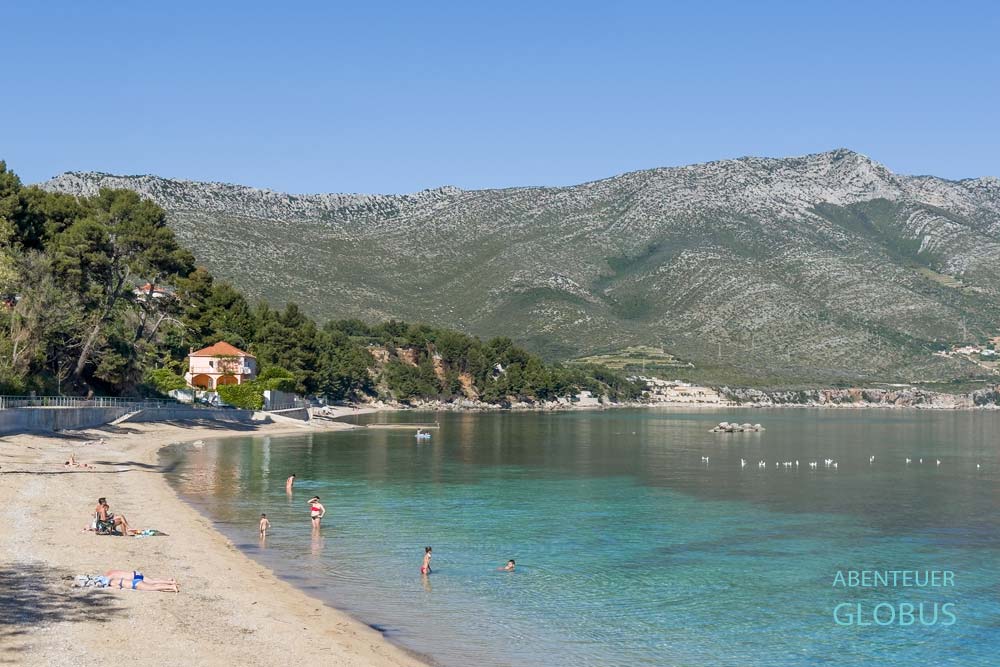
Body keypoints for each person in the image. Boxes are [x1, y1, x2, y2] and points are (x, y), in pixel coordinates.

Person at [76, 570, 178, 592]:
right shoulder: (111, 573)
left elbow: (118, 586)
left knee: (153, 587)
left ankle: (171, 587)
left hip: (134, 584)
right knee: (152, 581)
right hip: (135, 574)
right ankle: (170, 581)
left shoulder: (111, 581)